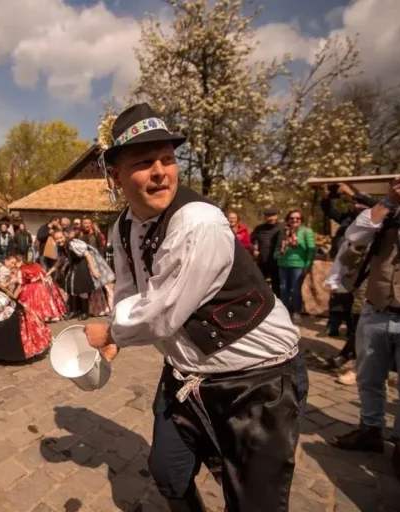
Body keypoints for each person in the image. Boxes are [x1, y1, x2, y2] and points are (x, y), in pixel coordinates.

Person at [85, 103, 306, 512]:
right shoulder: (124, 226)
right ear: (116, 175)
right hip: (187, 375)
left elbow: (164, 313)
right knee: (168, 472)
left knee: (254, 503)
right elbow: (133, 291)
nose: (160, 171)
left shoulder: (198, 222)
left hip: (256, 381)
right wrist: (120, 329)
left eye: (167, 159)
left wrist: (113, 333)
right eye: (144, 162)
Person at [330, 176, 400, 483]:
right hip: (375, 310)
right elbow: (355, 234)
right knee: (369, 379)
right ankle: (370, 430)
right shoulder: (386, 216)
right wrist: (388, 201)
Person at [275, 209, 316, 324]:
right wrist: (277, 256)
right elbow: (278, 246)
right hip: (283, 263)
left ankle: (296, 312)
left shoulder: (306, 232)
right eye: (292, 218)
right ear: (288, 220)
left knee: (295, 290)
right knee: (283, 289)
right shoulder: (283, 232)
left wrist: (308, 265)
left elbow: (311, 250)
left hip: (298, 265)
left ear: (301, 220)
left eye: (297, 218)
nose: (294, 220)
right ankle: (284, 313)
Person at [250, 208, 283, 296]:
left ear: (277, 216)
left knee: (277, 285)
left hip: (278, 261)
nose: (271, 218)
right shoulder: (259, 228)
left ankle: (278, 303)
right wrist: (254, 249)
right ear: (265, 217)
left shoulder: (282, 227)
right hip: (263, 261)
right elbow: (250, 240)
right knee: (261, 284)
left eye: (273, 215)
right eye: (268, 216)